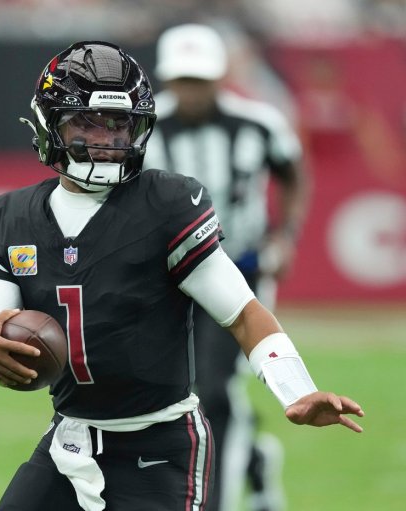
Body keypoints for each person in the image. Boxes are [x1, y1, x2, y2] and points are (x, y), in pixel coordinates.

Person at [0, 40, 362, 511]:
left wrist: (297, 390)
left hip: (160, 448)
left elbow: (243, 312)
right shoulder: (11, 219)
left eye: (118, 124)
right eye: (87, 122)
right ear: (49, 123)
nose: (106, 139)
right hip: (70, 439)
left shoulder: (165, 205)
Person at [144, 24, 309, 511]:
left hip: (238, 267)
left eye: (200, 79)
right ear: (167, 79)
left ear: (219, 77)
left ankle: (214, 501)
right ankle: (253, 460)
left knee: (215, 387)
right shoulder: (143, 127)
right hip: (165, 276)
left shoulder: (257, 123)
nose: (192, 91)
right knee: (172, 387)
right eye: (184, 80)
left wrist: (285, 235)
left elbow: (292, 172)